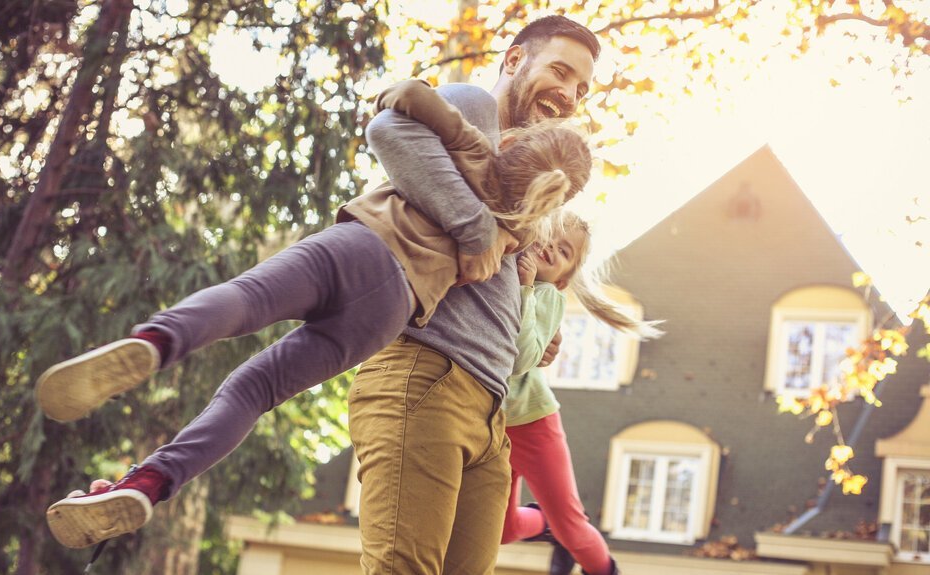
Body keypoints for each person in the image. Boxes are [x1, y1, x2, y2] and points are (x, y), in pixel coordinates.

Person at [39, 77, 592, 549]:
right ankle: (151, 482)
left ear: (510, 141)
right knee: (256, 390)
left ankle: (157, 341)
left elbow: (404, 99)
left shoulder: (475, 148)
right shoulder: (514, 236)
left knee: (248, 300)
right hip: (388, 315)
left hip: (364, 251)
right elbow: (505, 292)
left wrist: (405, 97)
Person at [346, 15, 604, 575]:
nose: (569, 94)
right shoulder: (475, 108)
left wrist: (529, 328)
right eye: (560, 72)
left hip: (490, 409)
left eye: (581, 89)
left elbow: (500, 277)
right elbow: (387, 129)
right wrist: (476, 230)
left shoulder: (530, 169)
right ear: (514, 60)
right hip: (427, 375)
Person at [502, 212, 660, 575]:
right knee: (502, 530)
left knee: (570, 526)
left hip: (532, 420)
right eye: (548, 236)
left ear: (563, 280)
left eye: (564, 251)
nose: (550, 248)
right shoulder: (506, 270)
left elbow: (521, 358)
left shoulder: (546, 295)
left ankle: (604, 569)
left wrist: (525, 288)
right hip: (496, 425)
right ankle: (543, 523)